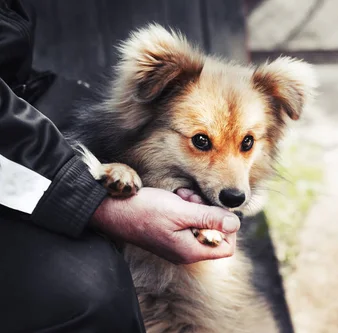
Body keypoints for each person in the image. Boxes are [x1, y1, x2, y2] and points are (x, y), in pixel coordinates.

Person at [0, 1, 240, 332]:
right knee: (93, 295)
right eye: (201, 142)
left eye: (246, 144)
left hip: (17, 93)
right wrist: (96, 203)